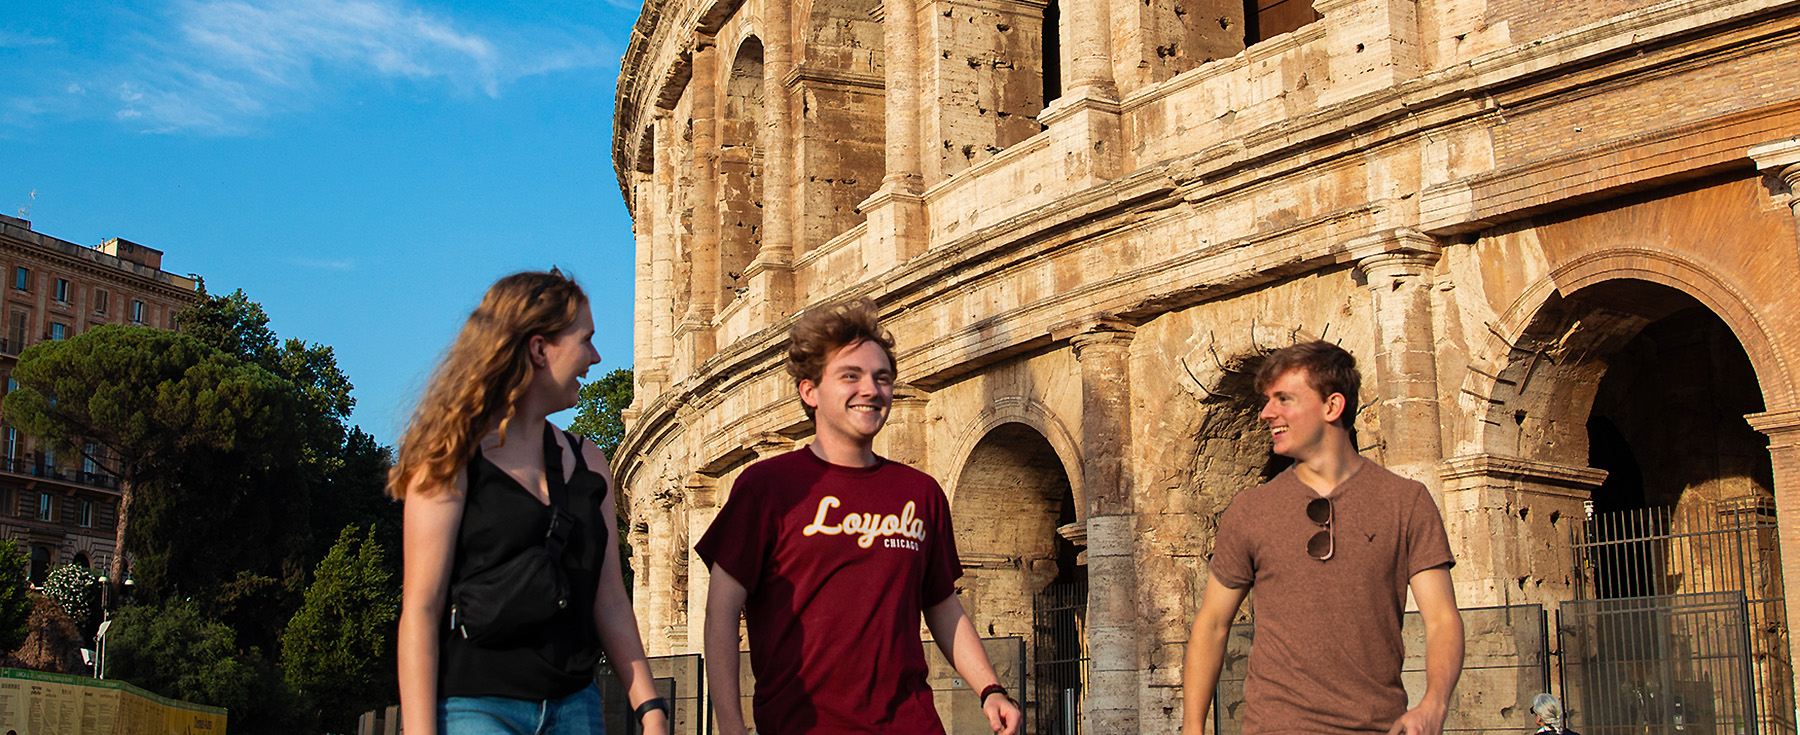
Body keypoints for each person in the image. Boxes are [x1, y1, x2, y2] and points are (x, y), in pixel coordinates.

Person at [696, 297, 1024, 735]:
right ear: (809, 391)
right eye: (850, 376)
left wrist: (990, 689)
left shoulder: (920, 492)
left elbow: (942, 604)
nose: (871, 389)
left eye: (882, 377)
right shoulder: (766, 487)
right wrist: (730, 727)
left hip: (911, 724)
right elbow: (720, 614)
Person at [391, 269, 668, 735]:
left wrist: (649, 706)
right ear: (539, 349)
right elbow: (421, 608)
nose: (596, 357)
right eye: (586, 340)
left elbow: (611, 601)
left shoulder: (590, 463)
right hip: (475, 708)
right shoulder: (449, 457)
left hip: (576, 705)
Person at [1181, 340, 1465, 735]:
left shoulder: (1406, 502)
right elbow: (1212, 623)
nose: (1266, 413)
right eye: (1267, 400)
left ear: (1332, 407)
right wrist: (1192, 729)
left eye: (1284, 399)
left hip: (1378, 727)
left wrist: (1434, 704)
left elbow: (1442, 619)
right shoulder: (1249, 510)